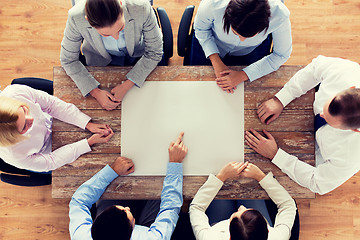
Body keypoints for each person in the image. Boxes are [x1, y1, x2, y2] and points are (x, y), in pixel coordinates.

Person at [245, 55, 360, 195]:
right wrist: (281, 99)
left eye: (330, 121)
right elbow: (315, 68)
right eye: (326, 106)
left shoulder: (352, 156)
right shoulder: (346, 71)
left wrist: (275, 155)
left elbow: (317, 183)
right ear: (351, 87)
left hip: (318, 157)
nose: (322, 115)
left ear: (355, 130)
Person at [69, 132, 188, 240]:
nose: (127, 207)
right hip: (148, 229)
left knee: (113, 187)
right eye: (128, 213)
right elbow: (170, 208)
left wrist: (112, 171)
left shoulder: (81, 235)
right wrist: (175, 164)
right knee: (159, 192)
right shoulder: (153, 238)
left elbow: (78, 201)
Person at [60, 0, 163, 111]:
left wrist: (127, 85)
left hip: (138, 56)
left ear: (121, 4)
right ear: (88, 21)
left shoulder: (141, 7)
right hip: (99, 60)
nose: (116, 38)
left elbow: (154, 52)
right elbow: (68, 60)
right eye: (106, 35)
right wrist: (95, 92)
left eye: (121, 28)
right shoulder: (75, 17)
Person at [0, 84, 113, 172]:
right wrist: (89, 142)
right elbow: (51, 162)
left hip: (52, 119)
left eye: (24, 110)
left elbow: (52, 105)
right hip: (46, 151)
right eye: (24, 126)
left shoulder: (14, 93)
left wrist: (86, 123)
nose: (32, 120)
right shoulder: (13, 155)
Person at [193, 0, 292, 93]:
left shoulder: (280, 14)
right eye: (235, 33)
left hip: (251, 51)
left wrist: (242, 75)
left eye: (249, 36)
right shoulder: (212, 3)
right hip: (211, 41)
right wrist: (215, 61)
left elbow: (281, 55)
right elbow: (201, 29)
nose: (242, 40)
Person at [189, 161, 296, 240]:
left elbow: (196, 208)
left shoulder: (210, 238)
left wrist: (221, 177)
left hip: (218, 224)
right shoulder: (278, 237)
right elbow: (288, 205)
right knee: (249, 186)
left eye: (236, 213)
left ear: (230, 237)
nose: (241, 207)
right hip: (240, 228)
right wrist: (260, 177)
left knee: (221, 188)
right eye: (246, 210)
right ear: (267, 231)